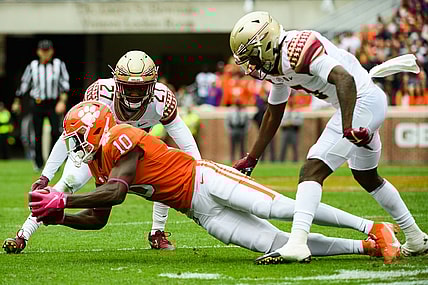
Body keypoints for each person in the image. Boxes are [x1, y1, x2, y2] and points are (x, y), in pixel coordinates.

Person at [29, 100, 398, 264]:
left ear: (95, 130)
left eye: (77, 138)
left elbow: (119, 191)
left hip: (206, 180)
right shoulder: (98, 164)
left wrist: (63, 201)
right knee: (274, 242)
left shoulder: (121, 136)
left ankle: (373, 226)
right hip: (198, 211)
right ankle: (362, 247)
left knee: (285, 208)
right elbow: (99, 216)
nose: (74, 147)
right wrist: (60, 218)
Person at [229, 11, 427, 264]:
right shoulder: (275, 64)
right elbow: (274, 112)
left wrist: (347, 127)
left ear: (267, 43)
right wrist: (252, 158)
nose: (251, 67)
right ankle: (415, 236)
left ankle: (298, 243)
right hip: (361, 104)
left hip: (361, 101)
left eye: (252, 57)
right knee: (367, 177)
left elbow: (343, 78)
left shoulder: (296, 49)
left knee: (312, 169)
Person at [3, 50, 201, 254]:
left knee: (164, 178)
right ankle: (23, 234)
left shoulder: (161, 99)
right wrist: (46, 176)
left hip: (131, 157)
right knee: (68, 181)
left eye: (140, 88)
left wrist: (200, 170)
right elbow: (70, 134)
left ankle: (157, 232)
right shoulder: (100, 93)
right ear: (117, 83)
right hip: (95, 154)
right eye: (129, 88)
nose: (134, 95)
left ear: (152, 85)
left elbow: (185, 141)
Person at [13, 39, 69, 171]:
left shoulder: (58, 64)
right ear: (38, 52)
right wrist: (17, 101)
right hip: (37, 103)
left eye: (47, 51)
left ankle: (53, 162)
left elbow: (65, 84)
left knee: (56, 132)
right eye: (43, 51)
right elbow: (24, 84)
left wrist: (62, 101)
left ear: (52, 51)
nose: (45, 54)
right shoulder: (32, 66)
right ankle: (38, 163)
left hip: (53, 103)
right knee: (37, 133)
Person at [278, 97, 303, 162]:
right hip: (285, 130)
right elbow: (281, 122)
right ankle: (281, 160)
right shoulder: (284, 112)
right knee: (283, 146)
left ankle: (295, 160)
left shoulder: (297, 112)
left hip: (294, 130)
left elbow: (300, 121)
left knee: (295, 146)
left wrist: (293, 122)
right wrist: (287, 123)